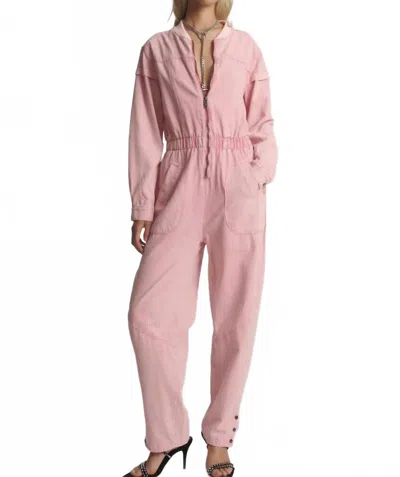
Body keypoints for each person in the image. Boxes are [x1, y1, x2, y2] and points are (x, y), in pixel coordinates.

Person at [124, 0, 277, 476]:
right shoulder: (156, 50)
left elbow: (262, 124)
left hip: (238, 186)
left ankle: (220, 438)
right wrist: (143, 203)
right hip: (179, 182)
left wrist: (255, 175)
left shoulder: (246, 48)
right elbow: (145, 131)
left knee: (236, 317)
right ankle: (168, 436)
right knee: (148, 316)